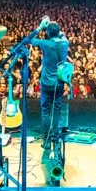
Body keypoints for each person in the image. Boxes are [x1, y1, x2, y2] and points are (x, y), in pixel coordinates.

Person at [31, 18, 70, 150]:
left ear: (47, 33)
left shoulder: (46, 44)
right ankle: (56, 138)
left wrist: (40, 27)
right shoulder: (65, 43)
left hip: (47, 83)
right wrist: (52, 27)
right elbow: (60, 34)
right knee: (57, 111)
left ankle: (46, 140)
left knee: (46, 112)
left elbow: (29, 39)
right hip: (59, 83)